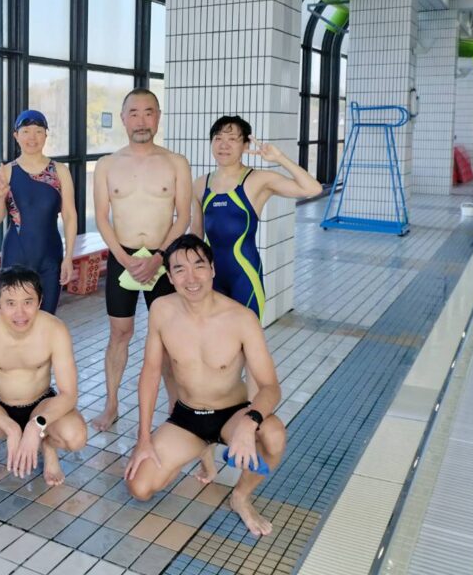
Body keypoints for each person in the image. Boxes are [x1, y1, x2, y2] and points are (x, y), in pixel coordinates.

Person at [124, 234, 286, 537]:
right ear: (170, 277)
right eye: (180, 270)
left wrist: (250, 422)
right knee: (139, 488)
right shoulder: (161, 310)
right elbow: (150, 372)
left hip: (232, 415)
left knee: (273, 434)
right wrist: (143, 438)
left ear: (212, 269)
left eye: (199, 266)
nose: (191, 278)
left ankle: (241, 497)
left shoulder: (241, 318)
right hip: (187, 417)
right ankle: (200, 449)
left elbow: (270, 386)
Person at [91, 88, 192, 431]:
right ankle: (111, 404)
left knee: (167, 337)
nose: (141, 120)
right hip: (123, 256)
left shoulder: (176, 163)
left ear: (158, 117)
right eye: (133, 113)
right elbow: (102, 217)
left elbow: (183, 216)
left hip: (164, 257)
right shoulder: (107, 165)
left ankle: (176, 406)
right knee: (120, 333)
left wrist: (160, 256)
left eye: (149, 112)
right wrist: (123, 258)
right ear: (123, 118)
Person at [0, 266, 87, 487]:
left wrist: (36, 425)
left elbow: (69, 394)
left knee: (75, 436)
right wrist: (11, 427)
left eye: (28, 302)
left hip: (40, 404)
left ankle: (49, 446)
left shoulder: (55, 329)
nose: (20, 313)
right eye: (10, 303)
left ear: (40, 301)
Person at [192, 115, 321, 321]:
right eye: (218, 138)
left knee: (247, 334)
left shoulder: (258, 180)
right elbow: (196, 235)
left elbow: (312, 189)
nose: (224, 145)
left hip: (244, 275)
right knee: (211, 334)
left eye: (232, 139)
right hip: (210, 275)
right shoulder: (200, 184)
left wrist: (279, 158)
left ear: (245, 145)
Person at [0, 109, 77, 314]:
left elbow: (70, 216)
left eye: (38, 131)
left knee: (46, 318)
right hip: (15, 257)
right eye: (26, 131)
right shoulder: (6, 172)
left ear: (46, 135)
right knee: (15, 319)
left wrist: (69, 257)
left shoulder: (59, 171)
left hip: (50, 258)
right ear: (16, 136)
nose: (32, 137)